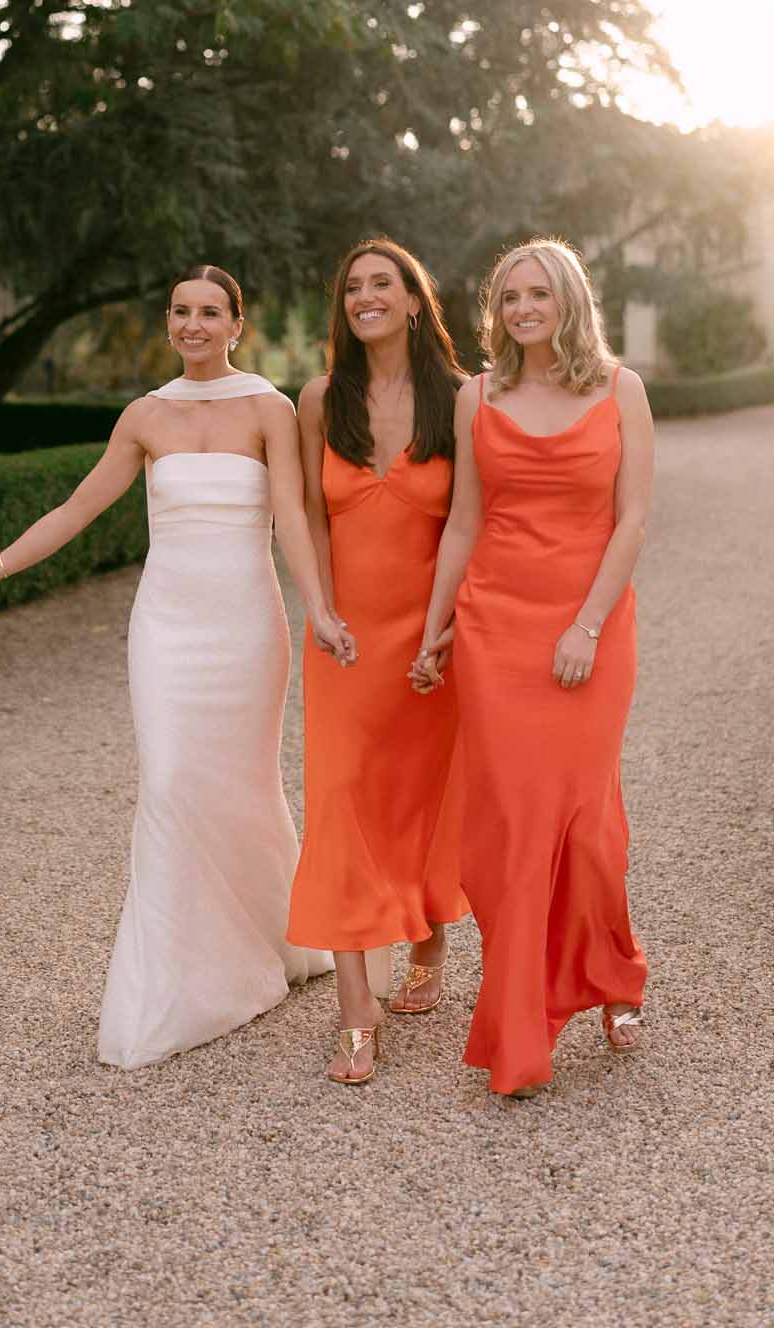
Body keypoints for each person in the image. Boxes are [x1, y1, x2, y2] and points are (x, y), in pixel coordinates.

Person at [0, 266, 345, 1068]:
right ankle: (183, 986)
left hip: (245, 627)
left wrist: (318, 605)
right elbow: (77, 508)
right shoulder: (144, 414)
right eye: (180, 310)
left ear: (236, 324)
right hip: (167, 627)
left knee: (243, 786)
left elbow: (290, 515)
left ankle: (275, 934)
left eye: (209, 312)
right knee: (170, 784)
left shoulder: (268, 409)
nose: (192, 324)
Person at [412, 237, 653, 1096]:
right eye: (509, 296)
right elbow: (464, 522)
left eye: (538, 294)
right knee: (513, 824)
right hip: (496, 629)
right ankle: (518, 1025)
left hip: (590, 623)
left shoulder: (619, 390)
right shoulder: (477, 396)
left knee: (586, 825)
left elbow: (631, 521)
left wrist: (585, 626)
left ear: (568, 302)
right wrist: (434, 630)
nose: (521, 309)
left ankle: (612, 974)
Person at [287, 240, 468, 1086]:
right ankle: (355, 1010)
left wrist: (445, 631)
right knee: (340, 803)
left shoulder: (459, 399)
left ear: (412, 300)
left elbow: (471, 522)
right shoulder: (320, 398)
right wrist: (319, 609)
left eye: (381, 283)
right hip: (343, 636)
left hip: (431, 636)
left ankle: (428, 942)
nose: (364, 296)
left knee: (421, 796)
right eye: (352, 286)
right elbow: (308, 515)